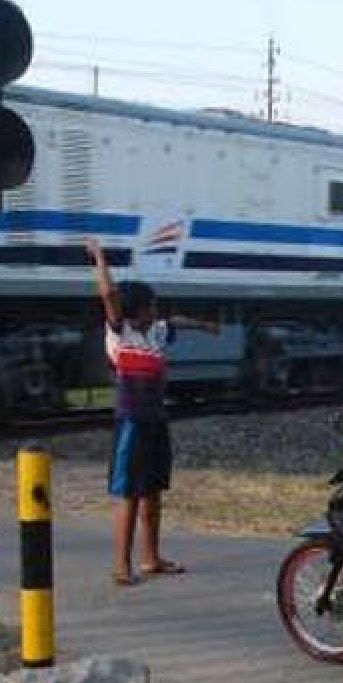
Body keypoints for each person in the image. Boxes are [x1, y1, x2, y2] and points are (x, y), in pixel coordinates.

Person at [85, 237, 219, 586]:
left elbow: (177, 320)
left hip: (156, 421)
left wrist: (204, 326)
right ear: (136, 310)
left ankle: (151, 558)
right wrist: (100, 258)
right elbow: (109, 296)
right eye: (151, 305)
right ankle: (120, 564)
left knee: (153, 492)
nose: (156, 310)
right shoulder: (120, 331)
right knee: (128, 495)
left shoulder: (157, 332)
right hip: (130, 422)